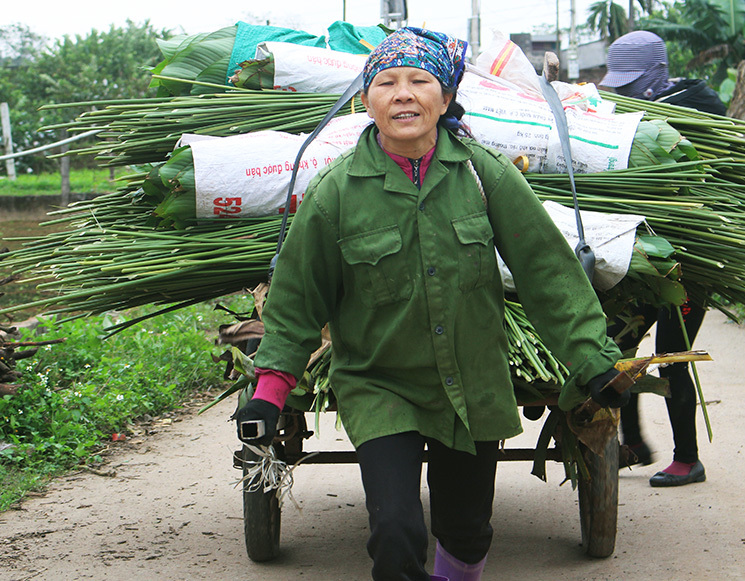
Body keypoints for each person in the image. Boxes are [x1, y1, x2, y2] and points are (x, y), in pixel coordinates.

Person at [235, 27, 627, 581]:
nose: (403, 93)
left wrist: (594, 362)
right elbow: (297, 301)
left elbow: (547, 272)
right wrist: (271, 393)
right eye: (387, 82)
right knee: (395, 532)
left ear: (444, 99)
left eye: (420, 81)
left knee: (466, 534)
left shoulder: (483, 175)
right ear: (364, 101)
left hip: (472, 381)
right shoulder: (335, 193)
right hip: (379, 383)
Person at [599, 30, 726, 488]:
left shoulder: (699, 109)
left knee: (671, 355)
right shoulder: (643, 112)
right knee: (617, 349)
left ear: (654, 74)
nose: (626, 88)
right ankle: (632, 444)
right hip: (650, 259)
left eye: (633, 80)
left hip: (688, 265)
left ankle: (687, 458)